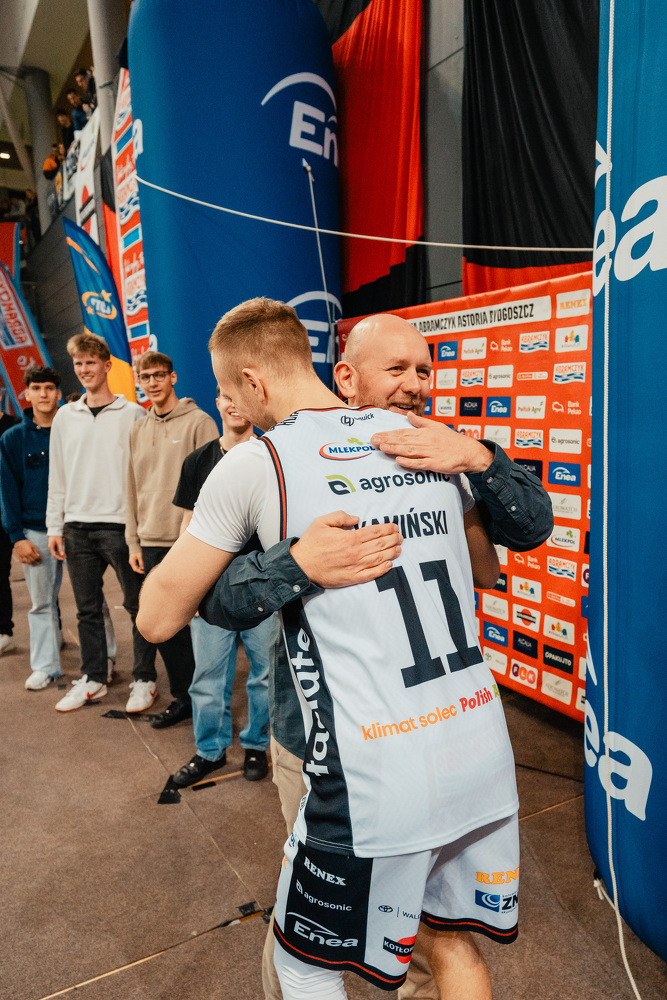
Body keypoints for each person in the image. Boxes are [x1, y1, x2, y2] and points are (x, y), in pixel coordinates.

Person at [138, 299, 522, 999]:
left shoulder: (257, 462)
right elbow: (485, 568)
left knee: (303, 967)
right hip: (478, 742)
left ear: (251, 381)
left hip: (372, 771)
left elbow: (157, 617)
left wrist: (293, 562)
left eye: (228, 391)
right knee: (450, 941)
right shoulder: (424, 441)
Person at [170, 388, 272, 785]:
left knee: (265, 675)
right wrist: (185, 588)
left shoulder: (272, 457)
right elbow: (187, 528)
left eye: (240, 397)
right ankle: (209, 751)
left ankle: (256, 745)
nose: (233, 404)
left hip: (262, 586)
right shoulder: (198, 461)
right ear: (217, 404)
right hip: (209, 587)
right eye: (226, 397)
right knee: (208, 677)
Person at [46, 333, 147, 712]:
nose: (84, 369)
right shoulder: (64, 417)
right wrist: (55, 526)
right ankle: (93, 678)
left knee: (138, 607)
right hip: (76, 528)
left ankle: (144, 679)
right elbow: (57, 475)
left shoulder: (133, 413)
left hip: (120, 526)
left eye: (91, 362)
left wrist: (138, 529)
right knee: (86, 610)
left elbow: (142, 475)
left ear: (106, 366)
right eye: (78, 364)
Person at [124, 350, 218, 718]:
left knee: (205, 628)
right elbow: (131, 486)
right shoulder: (137, 428)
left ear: (173, 377)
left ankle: (209, 704)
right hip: (150, 540)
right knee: (167, 630)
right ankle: (185, 699)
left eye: (159, 375)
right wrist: (133, 539)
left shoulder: (199, 422)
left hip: (191, 542)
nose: (152, 383)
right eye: (145, 377)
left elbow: (213, 487)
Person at [0, 367, 63, 688]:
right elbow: (7, 490)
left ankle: (102, 662)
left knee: (93, 603)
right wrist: (16, 537)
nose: (43, 394)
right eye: (37, 388)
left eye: (49, 387)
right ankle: (45, 666)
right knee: (41, 604)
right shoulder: (12, 438)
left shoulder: (72, 430)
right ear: (26, 393)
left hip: (77, 527)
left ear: (58, 393)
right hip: (35, 530)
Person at [0, 407, 21, 654]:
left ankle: (56, 629)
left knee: (42, 579)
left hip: (16, 511)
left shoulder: (15, 426)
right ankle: (4, 631)